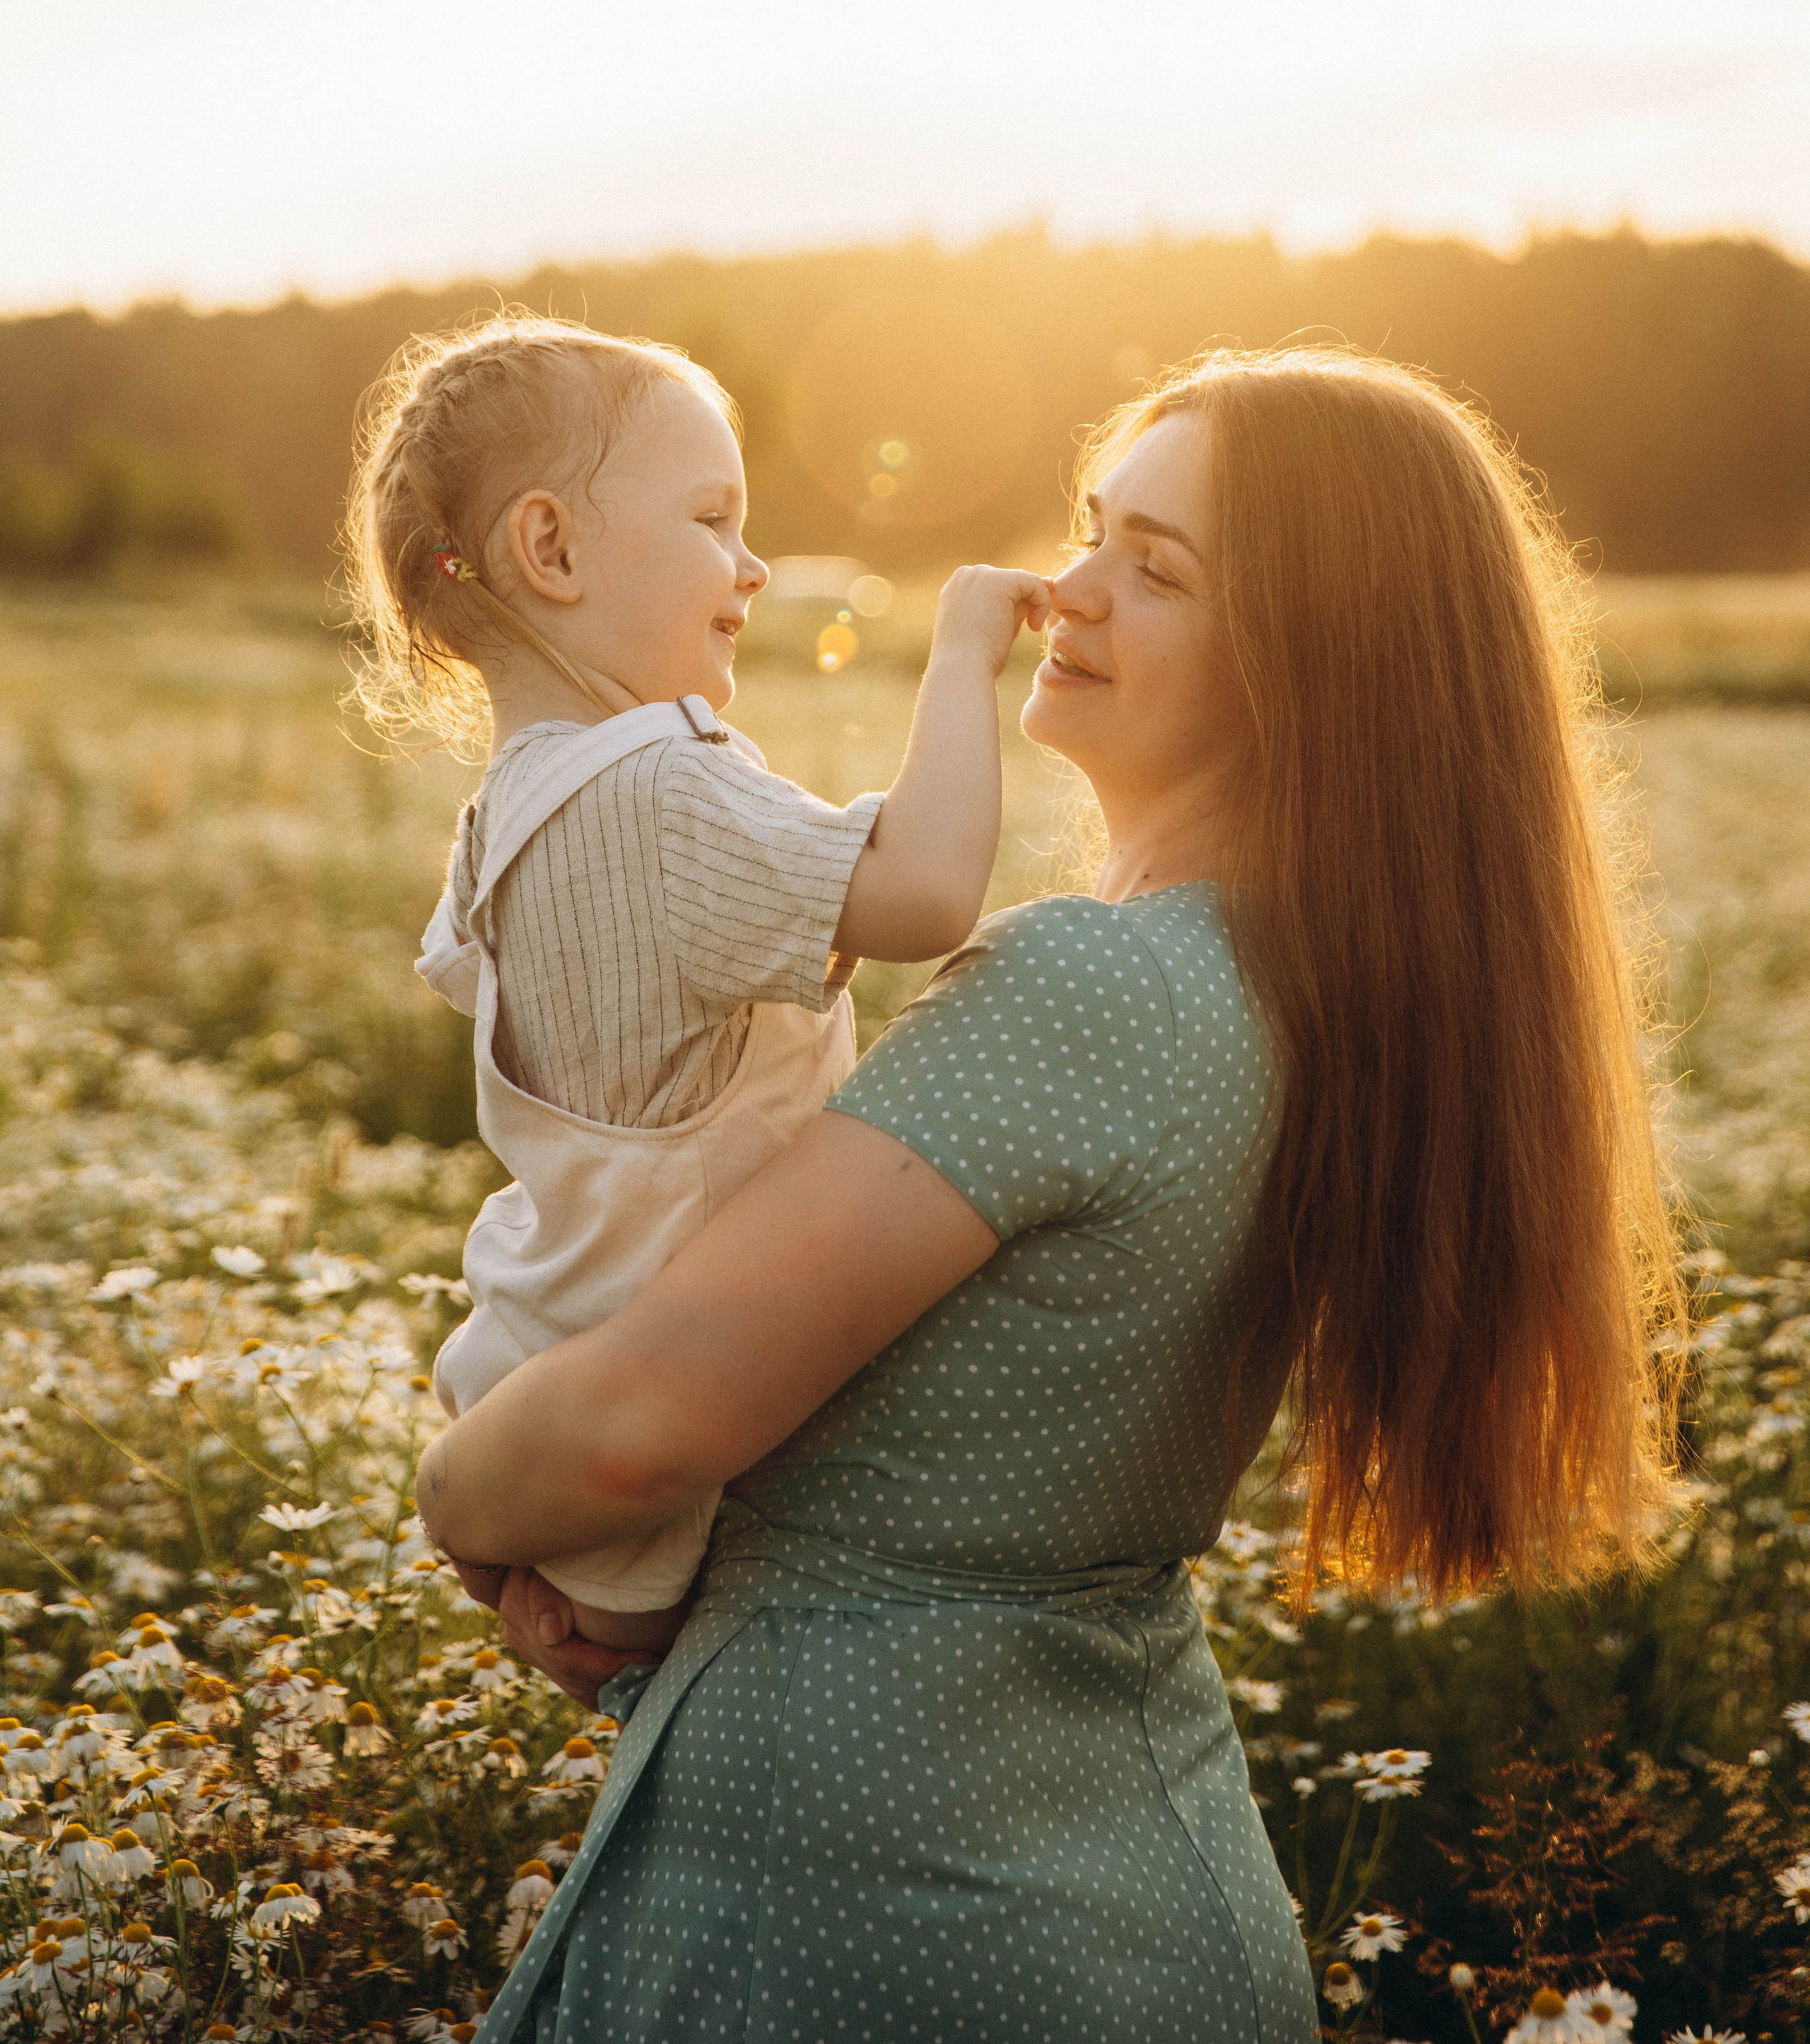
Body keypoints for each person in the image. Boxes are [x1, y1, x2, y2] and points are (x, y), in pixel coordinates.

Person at [418, 347, 1684, 2044]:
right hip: (1062, 1870)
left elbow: (630, 1431)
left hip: (912, 1920)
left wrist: (459, 1507)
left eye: (1152, 569)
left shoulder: (1094, 991)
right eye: (1093, 530)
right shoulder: (1279, 985)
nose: (1063, 588)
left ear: (1318, 661)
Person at [346, 314, 1048, 1657]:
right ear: (549, 550)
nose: (755, 564)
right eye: (714, 519)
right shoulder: (663, 784)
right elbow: (926, 892)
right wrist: (960, 653)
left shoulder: (505, 819)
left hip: (531, 1355)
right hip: (670, 1415)